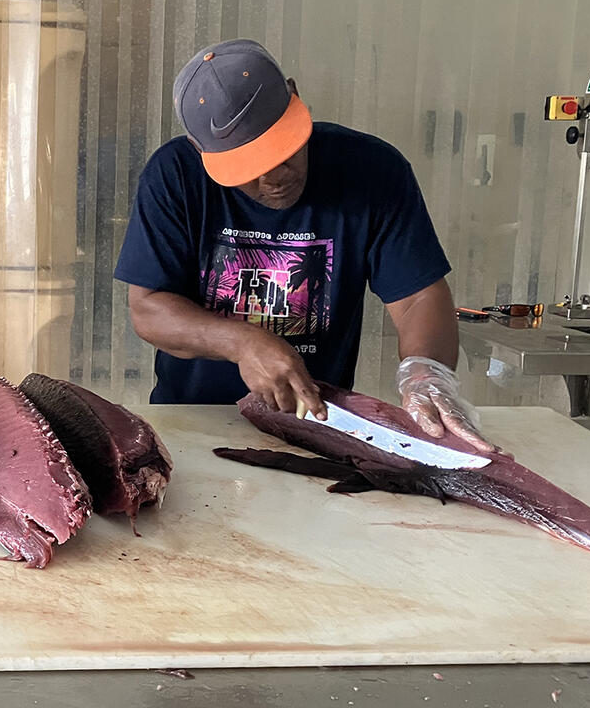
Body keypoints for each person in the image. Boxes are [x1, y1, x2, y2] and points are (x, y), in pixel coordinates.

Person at [114, 39, 489, 450]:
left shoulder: (373, 172)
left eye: (285, 147)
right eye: (249, 168)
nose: (276, 176)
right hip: (192, 425)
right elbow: (148, 308)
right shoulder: (175, 175)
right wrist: (243, 342)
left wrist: (425, 373)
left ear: (294, 96)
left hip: (318, 423)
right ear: (203, 152)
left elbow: (418, 298)